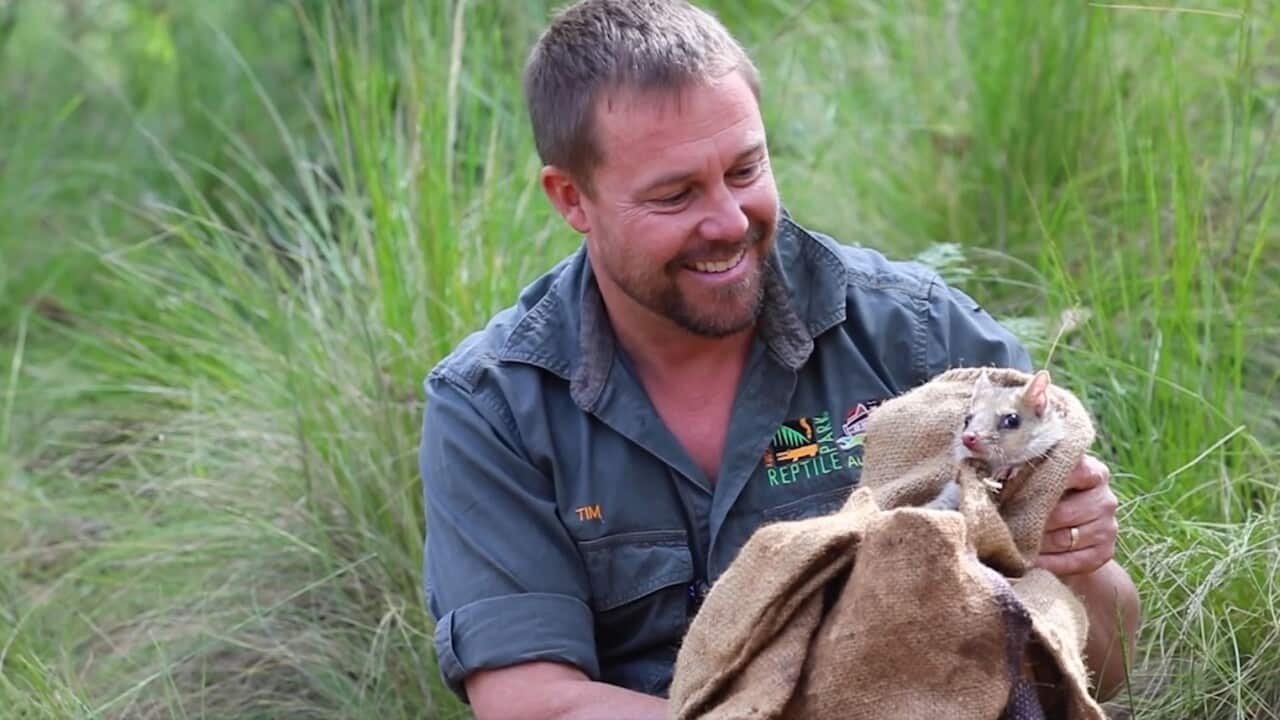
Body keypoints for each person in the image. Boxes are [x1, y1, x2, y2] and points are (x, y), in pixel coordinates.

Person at [419, 1, 1141, 718]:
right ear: (572, 198)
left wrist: (1080, 559)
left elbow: (1103, 668)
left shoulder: (915, 336)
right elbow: (533, 704)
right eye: (675, 195)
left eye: (744, 170)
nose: (728, 224)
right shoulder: (495, 405)